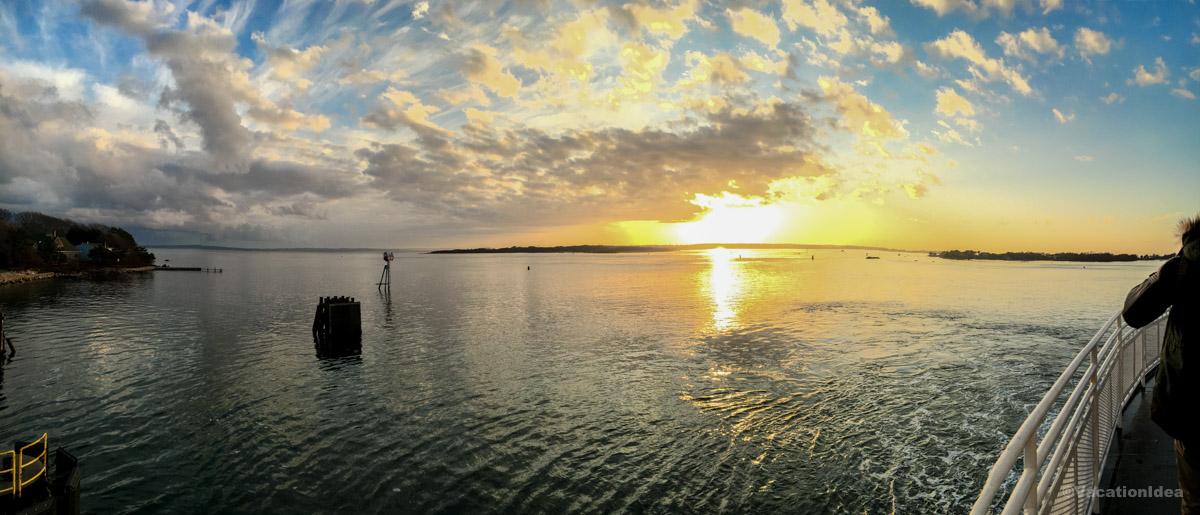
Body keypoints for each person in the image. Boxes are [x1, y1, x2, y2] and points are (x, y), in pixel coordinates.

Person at [1122, 215, 1199, 514]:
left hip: (1192, 410)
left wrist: (1168, 271)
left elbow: (1133, 313)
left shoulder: (1186, 266)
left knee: (1196, 499)